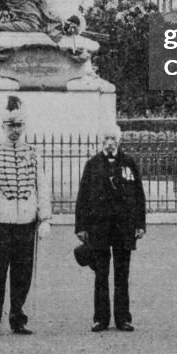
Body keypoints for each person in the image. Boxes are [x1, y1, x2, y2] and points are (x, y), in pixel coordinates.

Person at [0, 96, 52, 337]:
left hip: (26, 223)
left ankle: (18, 318)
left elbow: (42, 186)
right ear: (3, 126)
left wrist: (45, 218)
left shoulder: (33, 153)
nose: (15, 130)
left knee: (22, 274)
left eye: (19, 125)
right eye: (10, 125)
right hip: (0, 223)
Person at [75, 126, 146, 332]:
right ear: (101, 141)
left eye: (113, 138)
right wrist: (81, 226)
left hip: (124, 227)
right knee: (101, 275)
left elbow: (138, 195)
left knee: (122, 275)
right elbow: (83, 197)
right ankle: (101, 318)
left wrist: (140, 224)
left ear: (119, 141)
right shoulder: (92, 164)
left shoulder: (129, 163)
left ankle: (123, 318)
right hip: (99, 228)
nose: (109, 142)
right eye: (106, 138)